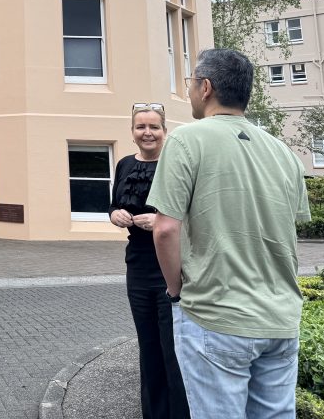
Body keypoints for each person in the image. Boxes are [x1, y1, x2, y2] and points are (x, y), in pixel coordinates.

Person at [148, 49, 310, 419]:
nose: (189, 91)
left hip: (215, 315)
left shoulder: (186, 140)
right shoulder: (284, 152)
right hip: (281, 317)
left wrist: (176, 293)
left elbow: (165, 229)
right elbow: (288, 225)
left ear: (206, 88)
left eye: (191, 83)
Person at [109, 103, 189, 419]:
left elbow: (190, 214)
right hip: (138, 266)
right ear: (132, 133)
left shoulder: (176, 163)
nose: (147, 132)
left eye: (154, 126)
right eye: (141, 127)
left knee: (173, 349)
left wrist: (159, 221)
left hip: (170, 265)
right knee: (149, 346)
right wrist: (114, 214)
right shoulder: (124, 165)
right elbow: (115, 203)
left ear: (164, 131)